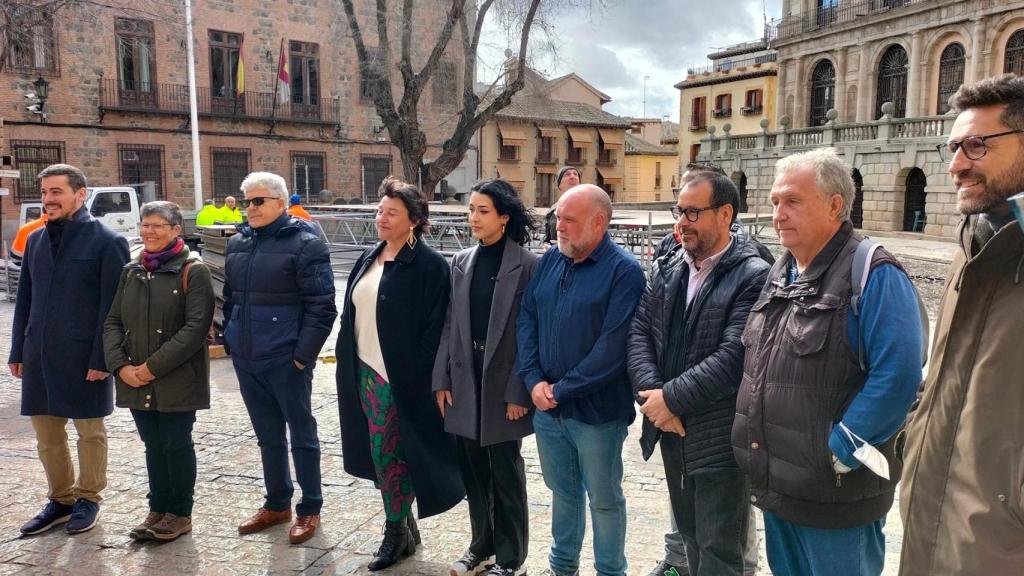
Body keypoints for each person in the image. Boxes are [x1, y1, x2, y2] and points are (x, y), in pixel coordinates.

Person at [732, 148, 924, 576]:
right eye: (775, 202)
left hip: (836, 495)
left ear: (835, 204)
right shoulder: (782, 271)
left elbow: (900, 375)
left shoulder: (873, 272)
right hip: (781, 487)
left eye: (792, 201)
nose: (779, 213)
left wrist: (842, 451)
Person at [899, 74, 1024, 575]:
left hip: (999, 544)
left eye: (976, 145)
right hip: (933, 524)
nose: (954, 166)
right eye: (952, 146)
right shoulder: (975, 244)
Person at [629, 173, 769, 576]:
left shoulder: (753, 274)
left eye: (693, 211)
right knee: (689, 541)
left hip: (719, 439)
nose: (682, 221)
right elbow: (639, 332)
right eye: (679, 210)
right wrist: (654, 400)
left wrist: (669, 399)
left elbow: (733, 357)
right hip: (673, 432)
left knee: (721, 553)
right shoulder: (669, 266)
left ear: (725, 214)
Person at [336, 177, 464, 571]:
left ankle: (394, 533)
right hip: (361, 371)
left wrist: (419, 377)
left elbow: (436, 328)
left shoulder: (428, 266)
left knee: (388, 453)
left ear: (415, 220)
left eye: (391, 213)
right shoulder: (369, 255)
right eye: (379, 210)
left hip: (400, 380)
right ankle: (404, 524)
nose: (381, 218)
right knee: (378, 456)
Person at [517, 184, 646, 576]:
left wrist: (559, 390)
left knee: (605, 499)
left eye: (569, 220)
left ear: (599, 222)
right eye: (558, 218)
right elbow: (527, 320)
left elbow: (613, 348)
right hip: (548, 410)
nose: (559, 226)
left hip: (597, 414)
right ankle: (563, 567)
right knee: (563, 494)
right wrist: (533, 379)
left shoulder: (624, 271)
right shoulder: (551, 259)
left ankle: (610, 571)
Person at [8, 164, 130, 536]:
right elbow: (24, 300)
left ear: (80, 194)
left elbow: (114, 307)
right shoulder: (35, 240)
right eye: (44, 192)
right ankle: (60, 500)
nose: (48, 199)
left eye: (56, 192)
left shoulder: (107, 242)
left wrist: (103, 358)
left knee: (89, 431)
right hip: (39, 354)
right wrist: (17, 350)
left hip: (84, 358)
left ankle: (88, 498)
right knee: (47, 434)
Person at [223, 172, 337, 545]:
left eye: (258, 201)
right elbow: (231, 298)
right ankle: (276, 503)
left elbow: (322, 308)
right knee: (267, 435)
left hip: (286, 359)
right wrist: (231, 339)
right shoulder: (239, 243)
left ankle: (310, 508)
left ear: (280, 202)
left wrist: (301, 357)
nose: (250, 208)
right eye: (246, 201)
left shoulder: (306, 243)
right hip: (247, 356)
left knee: (302, 435)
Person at [433, 179, 539, 576]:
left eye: (483, 211)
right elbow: (449, 325)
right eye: (471, 210)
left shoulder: (528, 266)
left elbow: (533, 334)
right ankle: (482, 545)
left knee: (505, 471)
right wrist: (441, 379)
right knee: (473, 470)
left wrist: (519, 391)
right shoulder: (460, 262)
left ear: (504, 217)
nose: (474, 218)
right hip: (464, 378)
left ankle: (511, 559)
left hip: (503, 381)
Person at [102, 201, 215, 542]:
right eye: (145, 224)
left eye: (157, 225)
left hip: (176, 379)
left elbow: (195, 329)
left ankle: (179, 513)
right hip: (134, 377)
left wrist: (150, 369)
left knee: (175, 444)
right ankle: (158, 507)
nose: (148, 231)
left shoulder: (194, 271)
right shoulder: (132, 269)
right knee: (153, 445)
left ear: (176, 230)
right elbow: (113, 321)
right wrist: (120, 366)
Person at [542, 166, 582, 246]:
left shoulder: (588, 206)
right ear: (559, 185)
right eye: (567, 174)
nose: (572, 176)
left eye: (575, 174)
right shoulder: (554, 209)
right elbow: (548, 238)